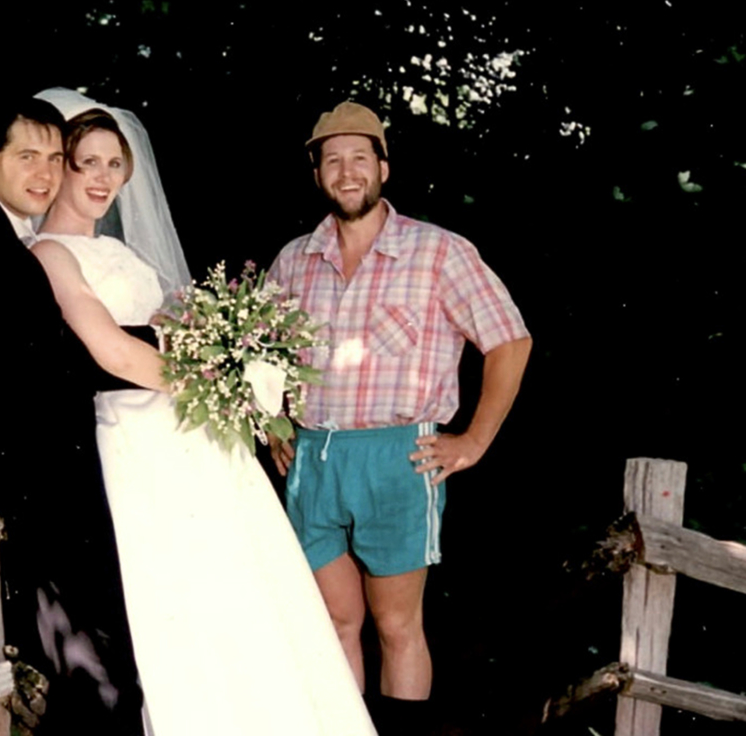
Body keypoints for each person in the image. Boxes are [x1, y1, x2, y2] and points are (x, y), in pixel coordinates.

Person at [30, 87, 377, 736]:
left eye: (116, 164)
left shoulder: (128, 255)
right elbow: (114, 353)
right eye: (90, 164)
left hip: (189, 434)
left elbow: (174, 330)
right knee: (182, 596)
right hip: (135, 436)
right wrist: (212, 382)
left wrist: (236, 364)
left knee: (247, 587)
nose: (106, 179)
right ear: (61, 169)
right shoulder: (51, 255)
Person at [267, 101, 532, 734]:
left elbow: (510, 341)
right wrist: (275, 421)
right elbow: (262, 354)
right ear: (317, 174)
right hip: (313, 460)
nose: (347, 170)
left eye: (361, 156)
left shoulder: (438, 252)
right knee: (333, 622)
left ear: (384, 166)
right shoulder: (294, 260)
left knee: (396, 624)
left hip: (398, 460)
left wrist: (474, 440)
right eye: (332, 159)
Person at [0, 96, 144, 735]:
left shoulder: (6, 235)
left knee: (96, 667)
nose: (46, 173)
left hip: (60, 474)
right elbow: (42, 366)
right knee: (98, 670)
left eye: (56, 158)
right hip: (42, 482)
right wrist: (178, 353)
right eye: (29, 156)